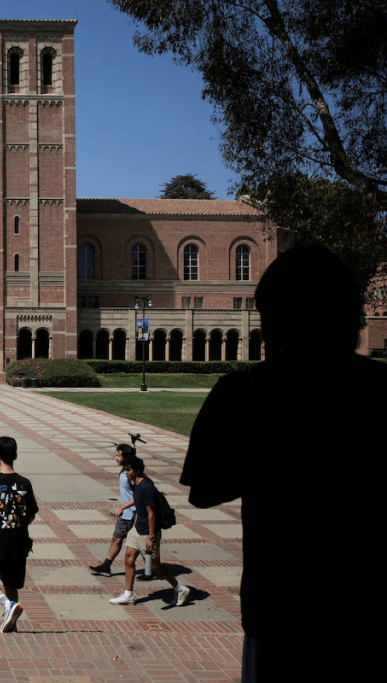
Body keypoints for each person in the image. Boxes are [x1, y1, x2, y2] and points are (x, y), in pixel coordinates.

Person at [181, 245, 384, 682]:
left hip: (280, 611)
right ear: (351, 316)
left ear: (271, 320)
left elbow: (203, 491)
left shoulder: (244, 391)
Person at [107, 457, 190, 607]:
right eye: (125, 469)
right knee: (129, 559)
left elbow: (151, 513)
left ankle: (180, 589)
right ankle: (128, 595)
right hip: (137, 529)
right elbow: (137, 500)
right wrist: (125, 510)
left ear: (137, 471)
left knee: (155, 567)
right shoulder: (136, 484)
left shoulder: (147, 487)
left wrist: (151, 537)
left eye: (128, 470)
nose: (125, 472)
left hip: (148, 533)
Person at [0, 436, 38, 634]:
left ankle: (7, 606)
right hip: (19, 543)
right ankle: (11, 622)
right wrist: (18, 524)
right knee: (11, 584)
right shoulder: (25, 483)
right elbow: (31, 514)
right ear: (15, 455)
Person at [89, 444, 137, 577]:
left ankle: (154, 568)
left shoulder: (131, 474)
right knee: (117, 538)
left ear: (126, 457)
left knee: (138, 544)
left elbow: (139, 496)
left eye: (118, 455)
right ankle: (106, 566)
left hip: (132, 514)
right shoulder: (125, 471)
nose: (115, 458)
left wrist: (121, 507)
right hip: (126, 514)